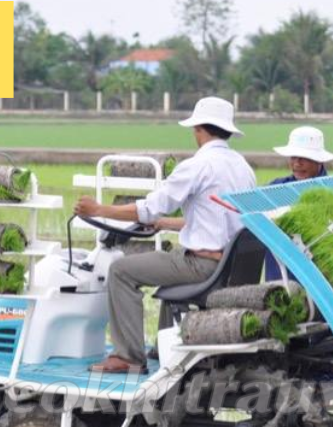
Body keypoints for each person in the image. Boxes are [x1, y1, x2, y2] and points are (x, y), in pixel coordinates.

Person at [74, 96, 256, 373]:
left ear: (199, 129)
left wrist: (99, 209)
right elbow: (218, 221)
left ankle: (128, 357)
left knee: (122, 271)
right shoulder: (243, 167)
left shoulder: (198, 165)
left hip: (204, 266)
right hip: (229, 265)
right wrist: (165, 224)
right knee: (168, 258)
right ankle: (162, 348)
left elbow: (147, 208)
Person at [264, 126, 333, 281]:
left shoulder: (331, 192)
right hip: (279, 275)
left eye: (304, 158)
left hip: (318, 277)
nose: (297, 163)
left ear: (319, 160)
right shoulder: (276, 187)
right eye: (293, 157)